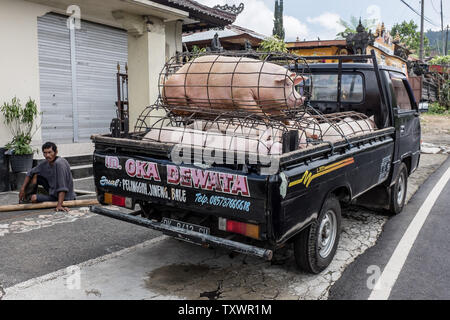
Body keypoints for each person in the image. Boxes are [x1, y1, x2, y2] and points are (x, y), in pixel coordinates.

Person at [19, 142, 76, 212]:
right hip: (53, 191)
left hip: (65, 198)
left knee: (34, 198)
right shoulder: (46, 163)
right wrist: (22, 189)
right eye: (45, 153)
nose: (47, 155)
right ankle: (26, 198)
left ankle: (32, 198)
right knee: (35, 175)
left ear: (56, 152)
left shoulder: (59, 164)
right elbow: (30, 173)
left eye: (50, 152)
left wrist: (59, 205)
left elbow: (62, 187)